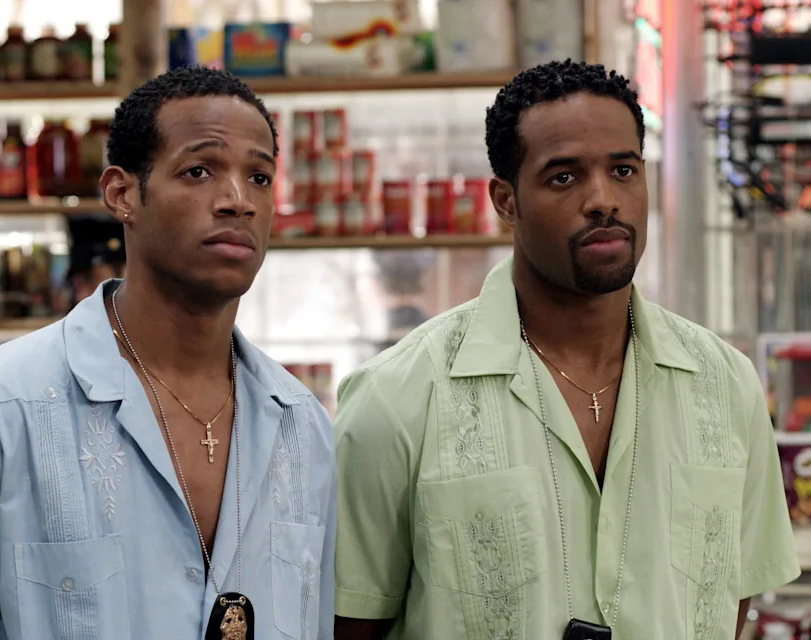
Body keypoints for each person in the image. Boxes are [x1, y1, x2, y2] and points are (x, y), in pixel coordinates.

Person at [0, 66, 335, 640]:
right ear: (122, 194)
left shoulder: (301, 427)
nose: (238, 201)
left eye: (259, 177)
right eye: (199, 171)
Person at [333, 60, 799, 640]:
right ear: (506, 201)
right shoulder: (396, 400)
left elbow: (731, 597)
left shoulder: (725, 385)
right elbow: (349, 622)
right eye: (563, 177)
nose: (603, 200)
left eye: (623, 170)